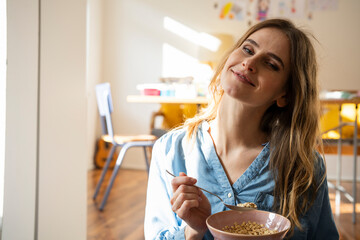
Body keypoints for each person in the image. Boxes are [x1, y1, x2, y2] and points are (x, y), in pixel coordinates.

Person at [144, 18, 339, 240]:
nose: (249, 63)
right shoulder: (168, 150)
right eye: (247, 49)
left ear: (285, 94)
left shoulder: (305, 167)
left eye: (271, 64)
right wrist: (193, 231)